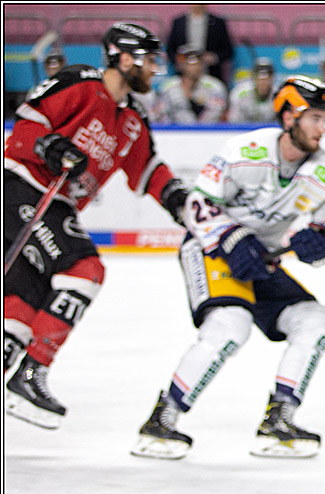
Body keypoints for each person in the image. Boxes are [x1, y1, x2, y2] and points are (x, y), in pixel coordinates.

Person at [131, 76, 325, 460]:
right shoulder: (244, 150)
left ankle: (278, 420)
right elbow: (196, 206)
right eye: (314, 118)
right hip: (210, 248)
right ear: (288, 117)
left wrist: (319, 246)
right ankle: (161, 421)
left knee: (316, 321)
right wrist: (232, 239)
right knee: (230, 326)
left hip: (261, 259)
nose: (321, 129)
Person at [3, 23, 189, 429]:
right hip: (20, 187)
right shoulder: (81, 83)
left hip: (57, 204)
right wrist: (50, 146)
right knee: (84, 270)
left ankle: (13, 364)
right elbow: (27, 124)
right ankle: (30, 373)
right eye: (148, 59)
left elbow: (146, 170)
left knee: (21, 303)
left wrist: (176, 197)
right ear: (124, 58)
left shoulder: (133, 119)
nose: (155, 68)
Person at [153, 45, 228, 123]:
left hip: (210, 132)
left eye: (197, 62)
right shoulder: (168, 87)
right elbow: (161, 115)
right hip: (175, 132)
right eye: (189, 62)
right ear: (180, 64)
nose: (193, 67)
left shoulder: (215, 86)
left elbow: (219, 113)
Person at [167, 4, 234, 84]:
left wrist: (214, 57)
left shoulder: (218, 23)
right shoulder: (178, 22)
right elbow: (170, 49)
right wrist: (180, 62)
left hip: (211, 74)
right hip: (184, 76)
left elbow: (228, 51)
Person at [228, 57, 276, 123]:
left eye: (266, 78)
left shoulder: (279, 94)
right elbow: (234, 122)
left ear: (272, 78)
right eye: (259, 78)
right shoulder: (240, 94)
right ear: (253, 78)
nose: (263, 82)